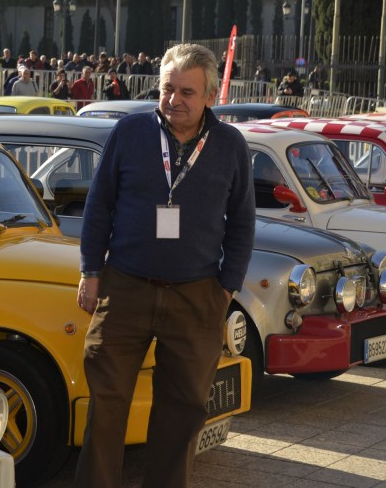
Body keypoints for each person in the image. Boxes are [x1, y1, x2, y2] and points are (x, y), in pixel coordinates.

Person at [76, 43, 255, 488]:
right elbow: (99, 205)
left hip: (196, 294)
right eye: (167, 88)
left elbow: (243, 222)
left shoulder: (230, 145)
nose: (174, 99)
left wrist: (225, 288)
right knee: (107, 400)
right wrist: (90, 271)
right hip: (125, 288)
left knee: (184, 409)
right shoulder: (131, 132)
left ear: (211, 96)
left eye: (187, 92)